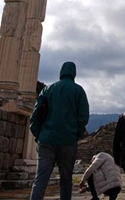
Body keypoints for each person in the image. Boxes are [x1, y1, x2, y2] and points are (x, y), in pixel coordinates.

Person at [29, 61, 90, 200]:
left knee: (40, 180)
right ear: (74, 73)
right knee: (66, 180)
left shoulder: (48, 89)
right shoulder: (78, 91)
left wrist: (39, 135)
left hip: (46, 139)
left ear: (61, 72)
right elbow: (83, 117)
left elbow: (35, 115)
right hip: (68, 141)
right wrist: (76, 134)